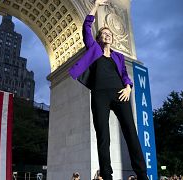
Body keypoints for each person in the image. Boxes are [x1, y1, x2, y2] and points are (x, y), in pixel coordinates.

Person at [68, 0, 148, 180]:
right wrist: (95, 5)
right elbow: (87, 26)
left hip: (120, 93)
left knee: (131, 133)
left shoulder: (118, 56)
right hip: (99, 95)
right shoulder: (93, 49)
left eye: (109, 34)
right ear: (98, 38)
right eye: (104, 33)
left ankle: (143, 175)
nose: (107, 35)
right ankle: (107, 175)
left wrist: (128, 87)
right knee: (103, 136)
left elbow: (125, 75)